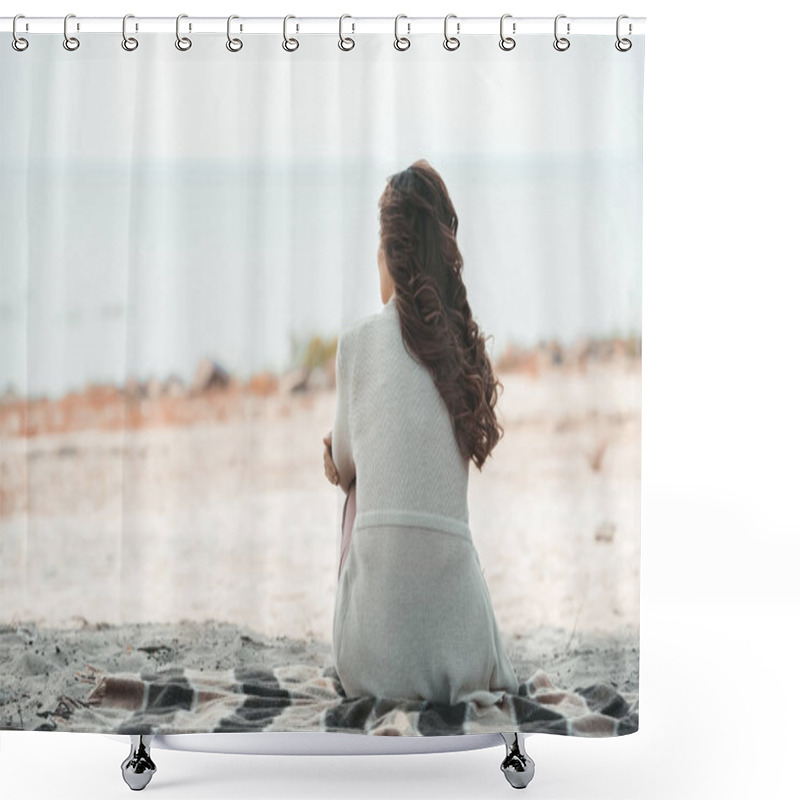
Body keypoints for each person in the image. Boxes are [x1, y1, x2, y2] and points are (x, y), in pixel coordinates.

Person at [321, 159, 519, 706]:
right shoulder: (459, 349)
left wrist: (338, 462)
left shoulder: (357, 344)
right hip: (463, 654)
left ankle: (383, 630)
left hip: (368, 663)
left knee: (360, 490)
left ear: (388, 252)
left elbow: (345, 467)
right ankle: (442, 630)